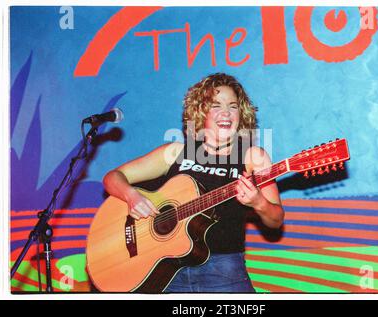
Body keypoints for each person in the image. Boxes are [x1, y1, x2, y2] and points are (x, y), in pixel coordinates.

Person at [103, 73, 284, 293]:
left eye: (233, 106)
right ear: (201, 111)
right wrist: (131, 196)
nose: (226, 112)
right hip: (167, 271)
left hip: (223, 271)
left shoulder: (253, 157)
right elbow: (113, 177)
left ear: (241, 113)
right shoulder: (175, 153)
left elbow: (276, 219)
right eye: (216, 105)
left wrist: (259, 203)